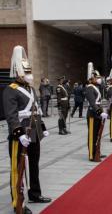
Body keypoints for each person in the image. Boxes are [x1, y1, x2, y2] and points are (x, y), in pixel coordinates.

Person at [3, 45, 52, 214]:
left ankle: (35, 193)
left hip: (33, 132)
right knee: (18, 167)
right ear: (18, 73)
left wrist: (43, 128)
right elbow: (11, 115)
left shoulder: (31, 88)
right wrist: (18, 132)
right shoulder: (10, 90)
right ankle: (19, 201)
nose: (29, 75)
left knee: (34, 165)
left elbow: (36, 109)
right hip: (21, 134)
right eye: (26, 72)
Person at [85, 62, 108, 162]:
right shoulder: (89, 88)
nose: (98, 79)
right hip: (93, 114)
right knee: (92, 135)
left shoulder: (96, 87)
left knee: (98, 134)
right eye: (96, 77)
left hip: (98, 113)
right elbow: (92, 103)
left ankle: (97, 151)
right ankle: (92, 154)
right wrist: (99, 112)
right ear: (91, 78)